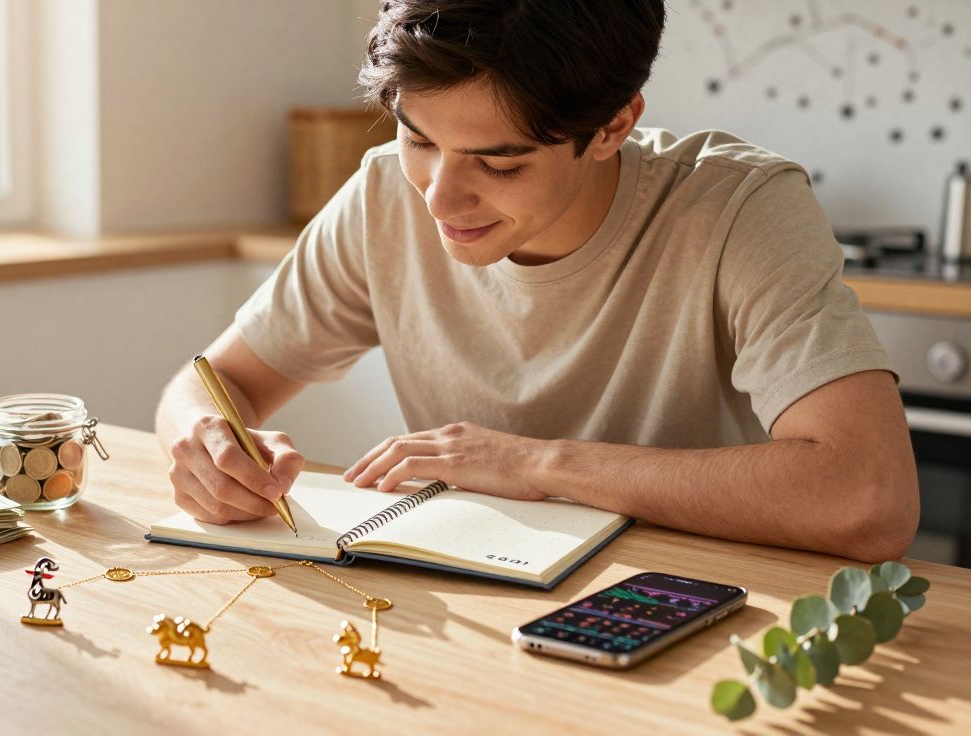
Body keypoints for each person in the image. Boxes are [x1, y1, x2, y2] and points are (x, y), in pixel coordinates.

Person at [154, 0, 918, 563]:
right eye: (418, 140)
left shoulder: (738, 209)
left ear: (613, 125)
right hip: (477, 600)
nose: (439, 198)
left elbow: (868, 497)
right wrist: (204, 443)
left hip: (707, 604)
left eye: (500, 162)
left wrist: (536, 463)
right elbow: (214, 380)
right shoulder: (386, 194)